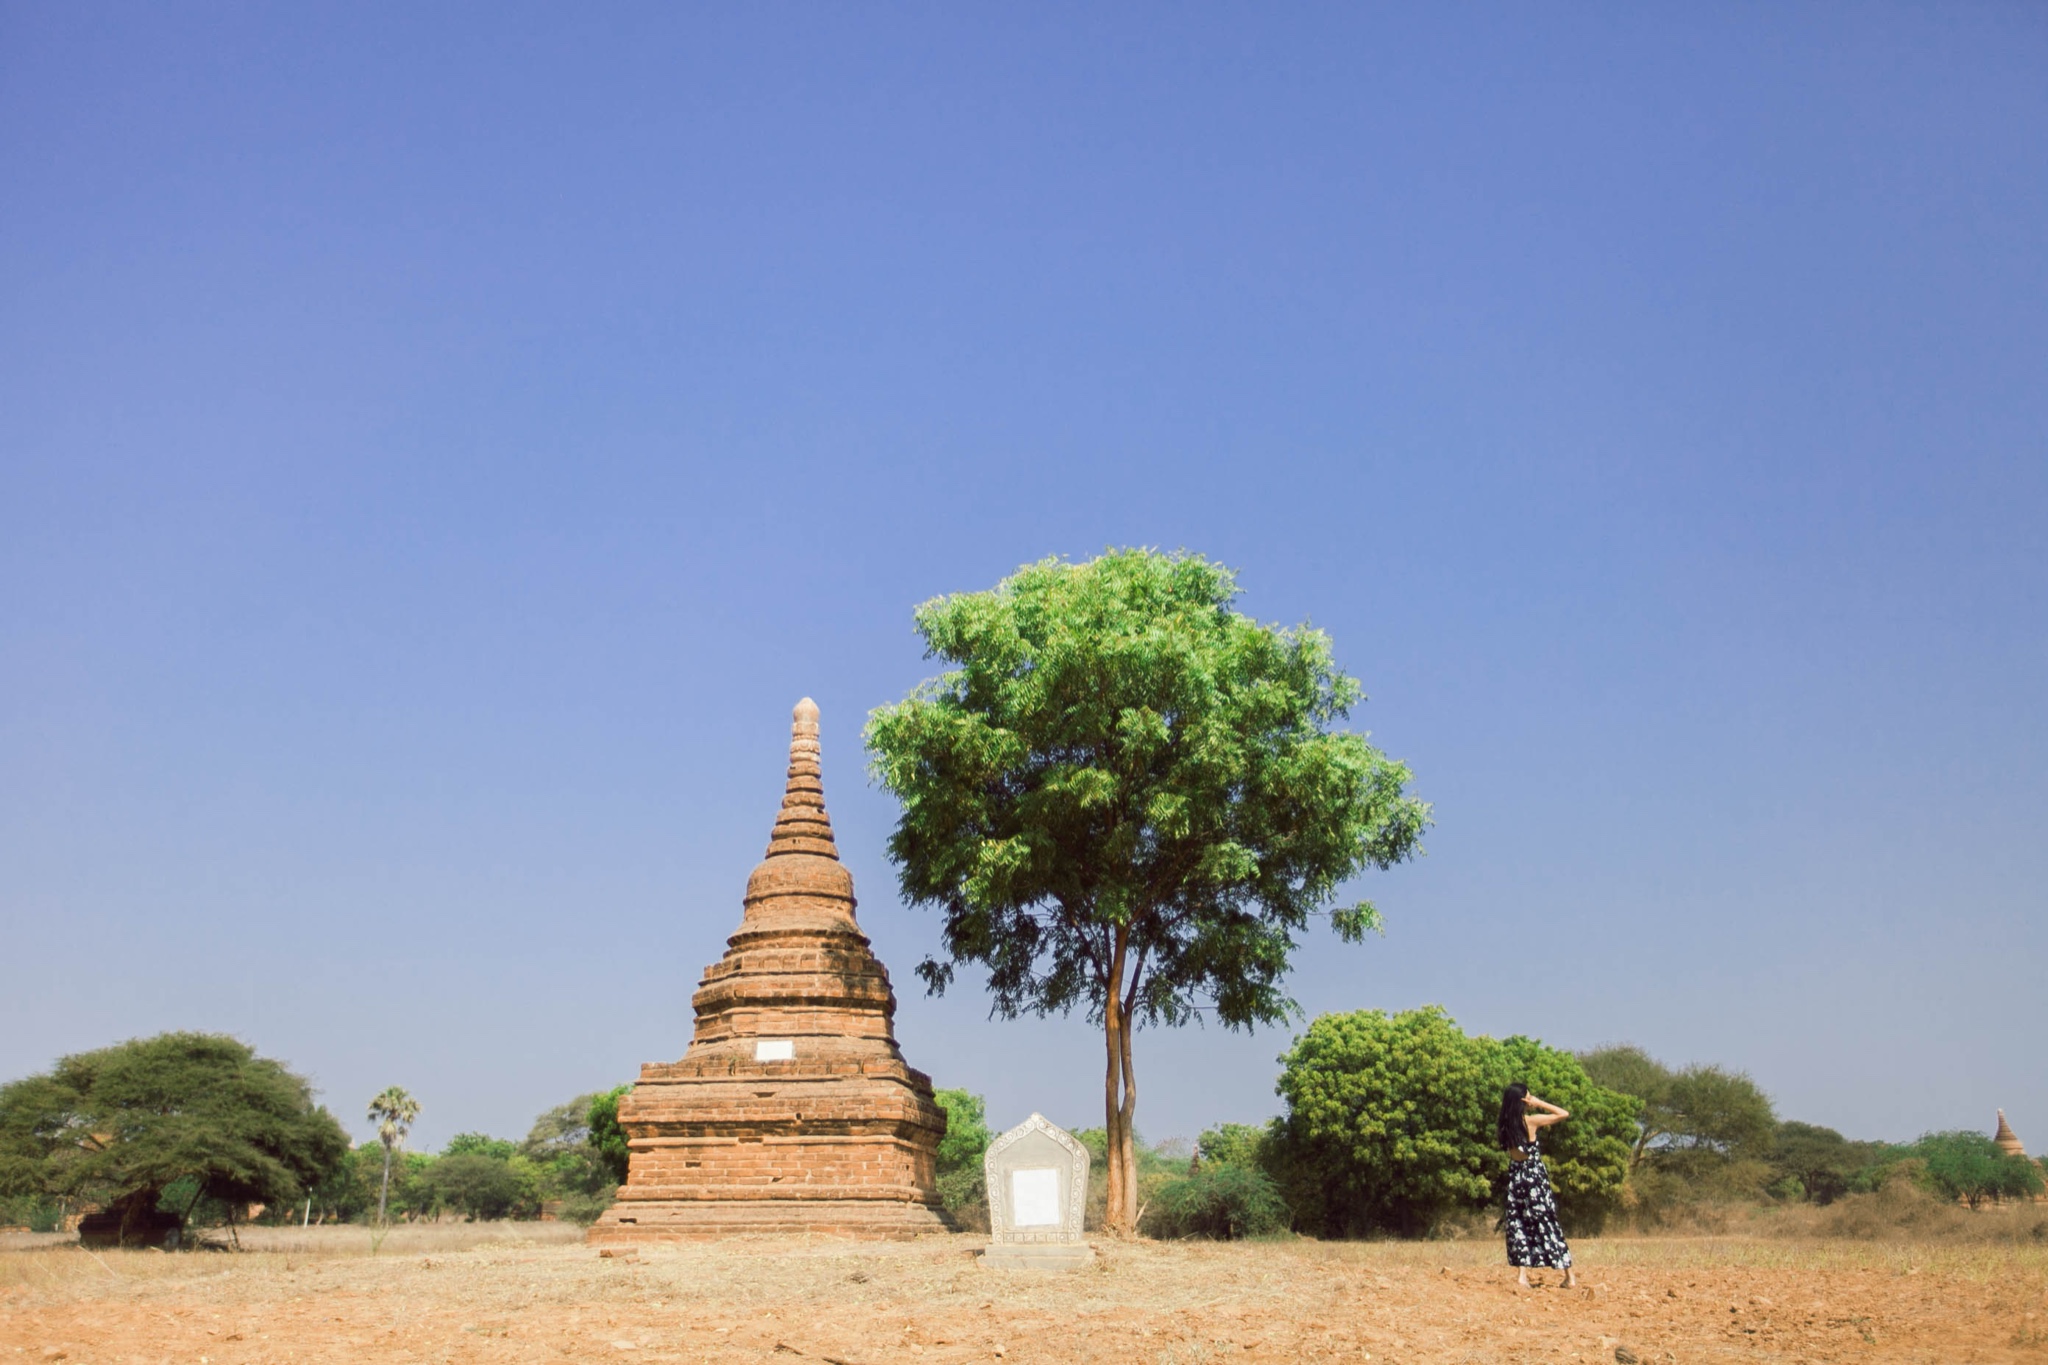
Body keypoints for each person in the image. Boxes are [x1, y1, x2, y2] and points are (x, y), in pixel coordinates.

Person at [1497, 1081, 1578, 1289]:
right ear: (1523, 1100)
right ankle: (1569, 1276)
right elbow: (1563, 1113)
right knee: (1548, 1222)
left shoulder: (1505, 1125)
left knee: (1518, 1224)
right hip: (1534, 1180)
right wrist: (1539, 1102)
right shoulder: (1530, 1122)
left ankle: (1522, 1276)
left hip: (1517, 1179)